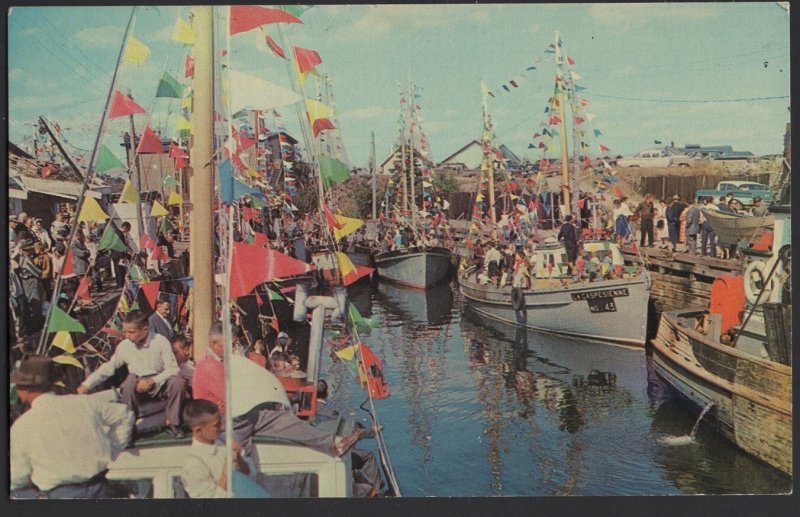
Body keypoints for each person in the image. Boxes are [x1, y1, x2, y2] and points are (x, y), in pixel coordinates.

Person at [193, 322, 364, 465]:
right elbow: (233, 396)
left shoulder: (220, 362)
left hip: (239, 414)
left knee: (282, 418)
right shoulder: (208, 366)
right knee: (241, 456)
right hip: (226, 421)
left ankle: (333, 444)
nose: (232, 349)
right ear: (215, 344)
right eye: (229, 345)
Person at [11, 356, 134, 499]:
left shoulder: (23, 425)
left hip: (60, 496)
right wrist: (112, 449)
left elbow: (18, 477)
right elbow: (124, 414)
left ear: (24, 390)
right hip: (101, 489)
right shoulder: (85, 403)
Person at [77, 310, 187, 438]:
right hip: (137, 383)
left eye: (131, 332)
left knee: (178, 382)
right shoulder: (125, 346)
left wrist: (153, 381)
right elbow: (108, 368)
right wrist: (87, 385)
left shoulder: (160, 341)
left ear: (145, 329)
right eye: (125, 332)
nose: (127, 336)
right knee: (129, 383)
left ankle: (173, 423)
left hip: (159, 382)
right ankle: (129, 426)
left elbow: (173, 369)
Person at [181, 399, 270, 498]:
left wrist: (239, 458)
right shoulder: (193, 462)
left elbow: (250, 474)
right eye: (216, 425)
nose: (222, 427)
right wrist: (227, 465)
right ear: (198, 430)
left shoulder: (224, 440)